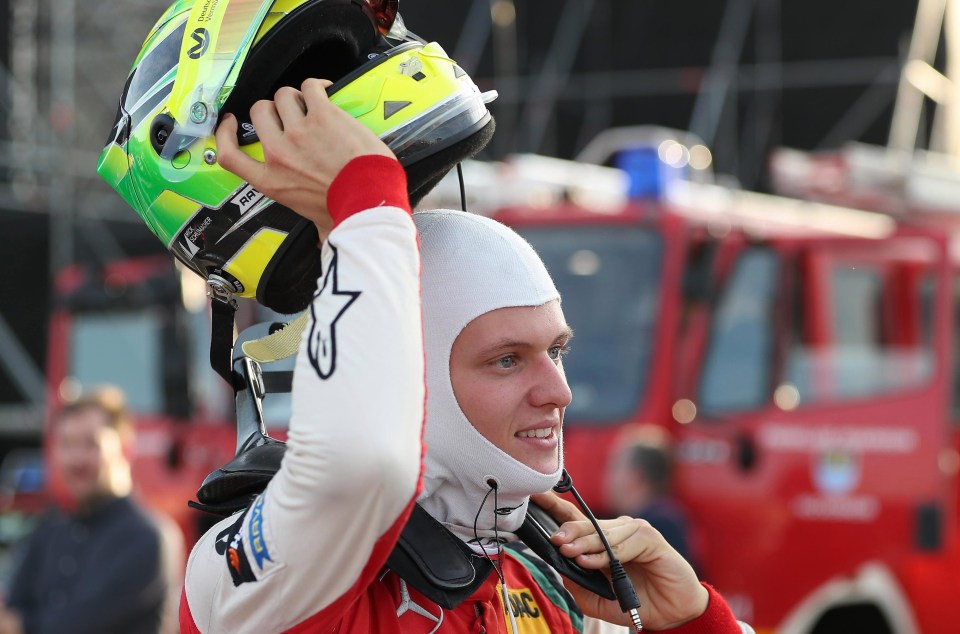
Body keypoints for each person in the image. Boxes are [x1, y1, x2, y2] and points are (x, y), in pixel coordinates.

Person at [97, 2, 753, 632]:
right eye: (505, 359)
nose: (558, 391)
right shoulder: (253, 570)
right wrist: (362, 199)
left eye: (556, 350)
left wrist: (696, 620)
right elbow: (363, 466)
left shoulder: (556, 579)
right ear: (411, 381)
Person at [0, 389, 175, 634]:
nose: (76, 459)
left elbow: (77, 626)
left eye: (91, 444)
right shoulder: (48, 533)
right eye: (67, 444)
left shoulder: (148, 537)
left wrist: (22, 626)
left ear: (125, 449)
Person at [606, 432, 695, 567]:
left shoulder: (659, 524)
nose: (609, 478)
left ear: (635, 476)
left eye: (616, 467)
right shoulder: (668, 516)